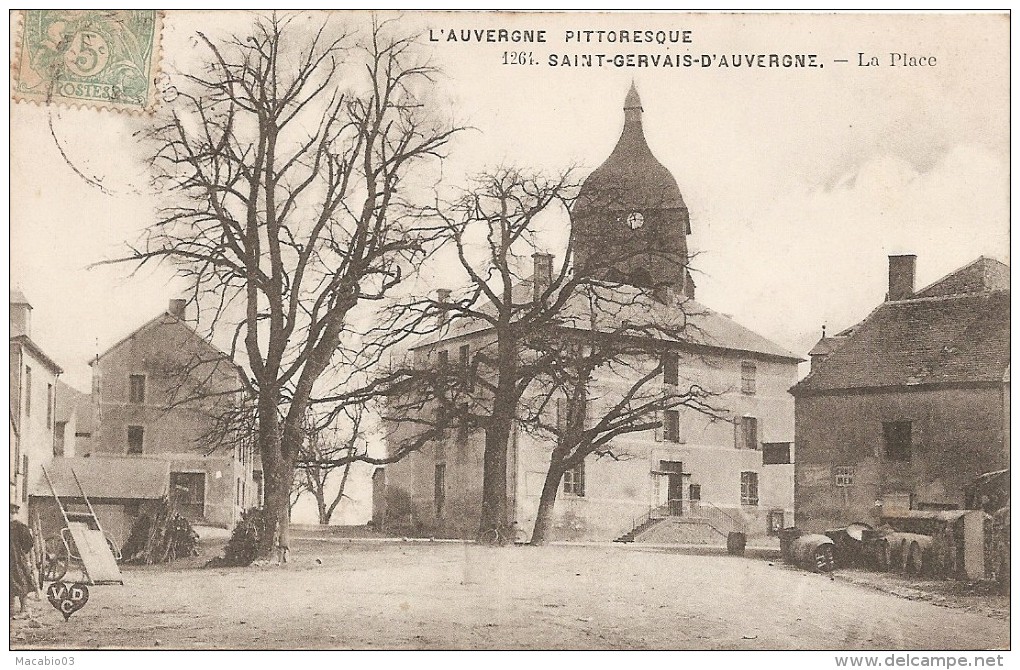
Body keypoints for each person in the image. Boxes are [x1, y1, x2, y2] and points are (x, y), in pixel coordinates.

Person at [10, 503, 35, 618]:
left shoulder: (20, 527)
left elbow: (29, 544)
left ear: (15, 514)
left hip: (17, 559)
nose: (11, 515)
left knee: (20, 582)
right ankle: (10, 610)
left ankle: (24, 610)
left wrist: (20, 554)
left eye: (13, 513)